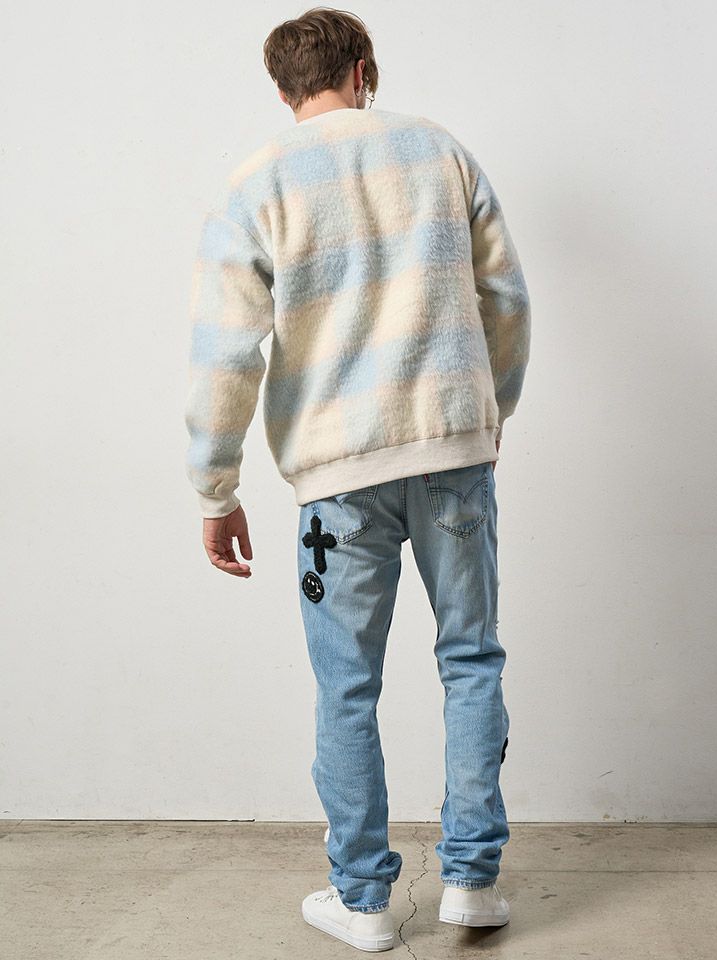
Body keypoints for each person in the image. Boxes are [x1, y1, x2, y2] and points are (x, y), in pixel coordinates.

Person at [184, 7, 531, 952]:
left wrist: (217, 489)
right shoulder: (440, 153)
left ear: (283, 87)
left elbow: (224, 353)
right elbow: (505, 299)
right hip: (453, 455)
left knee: (346, 688)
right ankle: (471, 884)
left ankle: (366, 900)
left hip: (337, 478)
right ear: (364, 68)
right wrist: (485, 413)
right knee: (471, 661)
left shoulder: (258, 182)